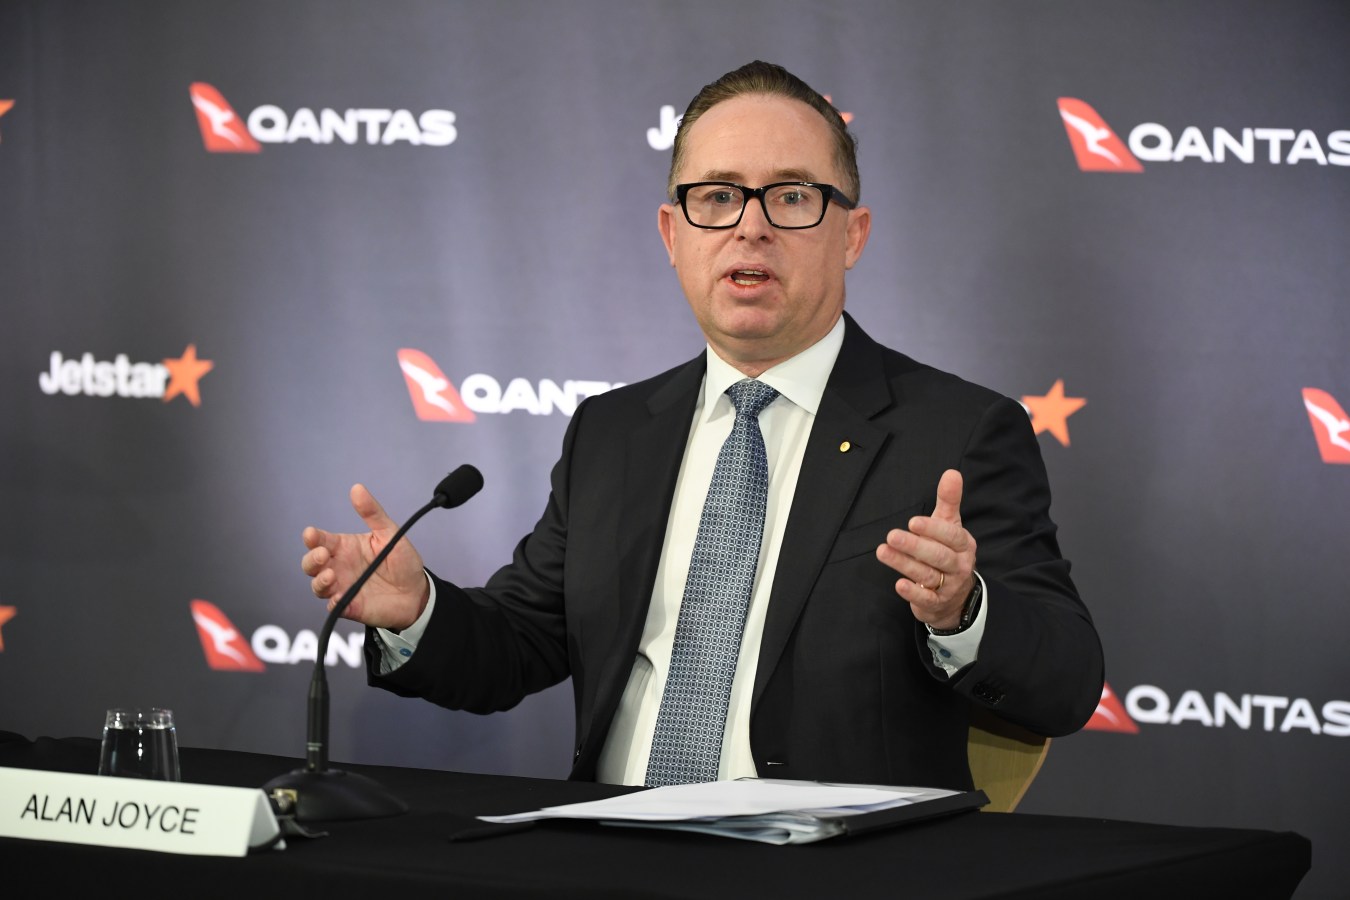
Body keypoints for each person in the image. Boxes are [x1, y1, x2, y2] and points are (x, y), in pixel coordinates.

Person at [301, 60, 1104, 791]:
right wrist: (418, 610)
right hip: (611, 852)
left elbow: (1066, 682)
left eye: (791, 196)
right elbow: (519, 645)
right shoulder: (611, 432)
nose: (749, 226)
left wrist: (964, 611)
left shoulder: (959, 433)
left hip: (835, 870)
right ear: (673, 234)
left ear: (851, 234)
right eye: (717, 196)